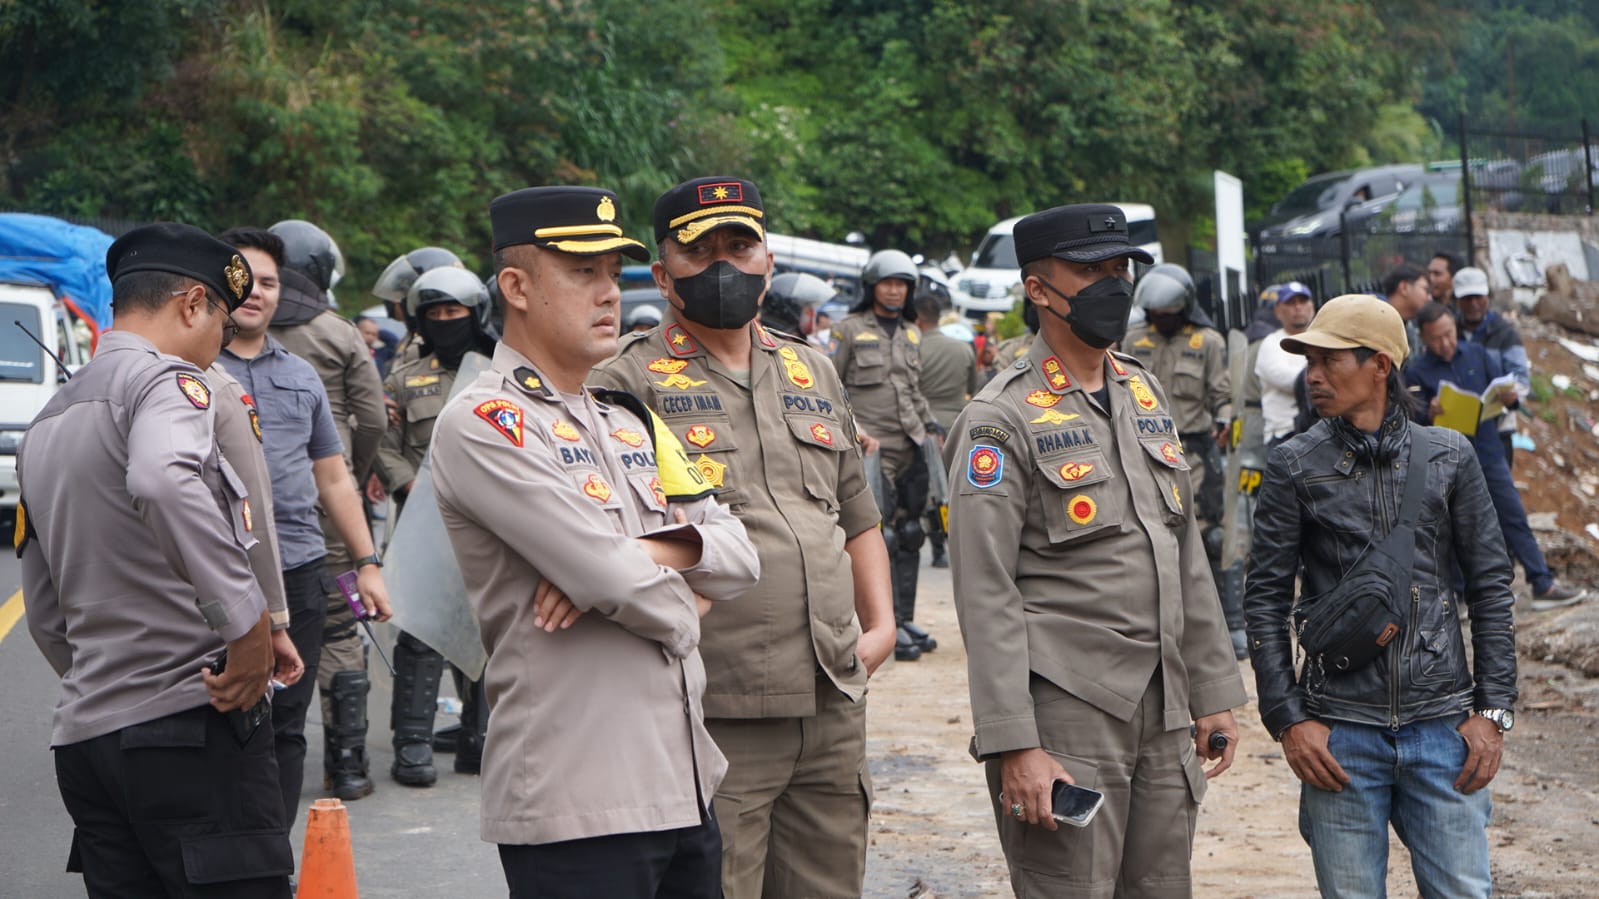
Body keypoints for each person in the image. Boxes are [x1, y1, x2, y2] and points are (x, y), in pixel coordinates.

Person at [431, 184, 760, 897]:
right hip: (578, 798)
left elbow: (738, 550)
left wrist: (644, 553)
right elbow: (615, 582)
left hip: (680, 783)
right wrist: (669, 592)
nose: (608, 291)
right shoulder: (486, 422)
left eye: (614, 272)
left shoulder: (626, 419)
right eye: (583, 272)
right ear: (515, 285)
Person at [592, 175, 895, 897]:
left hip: (832, 693)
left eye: (740, 244)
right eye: (699, 252)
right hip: (714, 705)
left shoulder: (810, 366)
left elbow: (856, 513)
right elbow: (610, 544)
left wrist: (880, 628)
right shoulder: (624, 381)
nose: (723, 265)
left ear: (766, 260)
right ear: (663, 275)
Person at [946, 204, 1246, 897]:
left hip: (1163, 704)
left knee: (1160, 886)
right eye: (1087, 270)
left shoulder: (1140, 390)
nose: (1110, 284)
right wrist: (1013, 741)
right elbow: (984, 590)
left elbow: (1182, 550)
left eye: (1119, 269)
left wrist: (1210, 689)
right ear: (1037, 287)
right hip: (1067, 707)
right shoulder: (1000, 417)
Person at [18, 222, 296, 896]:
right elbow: (163, 477)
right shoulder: (168, 384)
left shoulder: (49, 419)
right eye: (222, 329)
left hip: (88, 741)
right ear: (193, 304)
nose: (217, 350)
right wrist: (248, 628)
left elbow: (46, 614)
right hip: (189, 724)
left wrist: (108, 683)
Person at [1245, 294, 1518, 898]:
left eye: (1330, 360)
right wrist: (1288, 719)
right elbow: (1263, 598)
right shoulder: (1293, 465)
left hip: (1442, 728)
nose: (1313, 375)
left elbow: (1492, 585)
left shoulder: (1450, 456)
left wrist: (1494, 711)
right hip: (1338, 735)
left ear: (1381, 366)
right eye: (1308, 361)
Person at [216, 226, 394, 818]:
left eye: (268, 282)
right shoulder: (188, 374)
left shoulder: (300, 374)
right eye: (245, 278)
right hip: (216, 575)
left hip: (300, 567)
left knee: (287, 725)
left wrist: (367, 563)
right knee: (221, 718)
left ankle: (273, 856)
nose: (256, 292)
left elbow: (334, 476)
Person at [267, 218, 391, 800]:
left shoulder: (227, 326)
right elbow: (373, 418)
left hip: (241, 511)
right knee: (340, 625)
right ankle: (347, 764)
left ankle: (253, 751)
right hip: (326, 507)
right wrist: (350, 475)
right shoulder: (338, 334)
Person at [374, 265, 498, 785]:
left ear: (476, 315)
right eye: (435, 314)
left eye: (455, 312)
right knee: (422, 634)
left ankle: (479, 740)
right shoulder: (403, 380)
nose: (446, 321)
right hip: (424, 525)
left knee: (488, 631)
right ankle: (413, 745)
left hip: (490, 525)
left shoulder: (501, 374)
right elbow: (382, 446)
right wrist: (410, 487)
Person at [1409, 302, 1587, 611]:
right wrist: (1429, 410)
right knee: (1452, 526)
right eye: (1436, 338)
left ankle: (1542, 583)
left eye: (1449, 334)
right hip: (1445, 457)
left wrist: (1509, 397)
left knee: (1513, 517)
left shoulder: (1478, 355)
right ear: (1424, 338)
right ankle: (1459, 597)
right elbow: (1410, 417)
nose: (1445, 343)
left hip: (1488, 451)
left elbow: (1507, 398)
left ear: (1455, 327)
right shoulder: (1417, 370)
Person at [829, 248, 939, 661]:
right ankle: (883, 625)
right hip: (872, 449)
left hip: (912, 441)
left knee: (912, 533)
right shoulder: (848, 330)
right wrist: (854, 430)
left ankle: (905, 618)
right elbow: (829, 386)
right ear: (872, 286)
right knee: (882, 535)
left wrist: (932, 427)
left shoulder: (912, 333)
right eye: (887, 283)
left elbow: (912, 388)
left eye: (901, 285)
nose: (894, 291)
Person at [915, 293, 979, 569]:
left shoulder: (913, 349)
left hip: (926, 425)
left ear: (916, 318)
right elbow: (973, 388)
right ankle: (961, 543)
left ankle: (939, 547)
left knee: (933, 490)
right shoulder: (963, 349)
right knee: (956, 488)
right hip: (957, 423)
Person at [1453, 265, 1531, 467]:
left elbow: (1521, 379)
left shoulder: (1505, 333)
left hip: (1497, 431)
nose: (1474, 304)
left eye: (1478, 297)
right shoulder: (1449, 332)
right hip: (1456, 433)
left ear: (1488, 296)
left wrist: (1511, 396)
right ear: (1457, 300)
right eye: (1467, 298)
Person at [1255, 281, 1315, 446]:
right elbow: (1289, 380)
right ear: (1278, 311)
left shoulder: (1322, 340)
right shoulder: (1270, 343)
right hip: (1284, 434)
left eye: (1303, 301)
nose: (1298, 307)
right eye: (1291, 303)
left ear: (1312, 306)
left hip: (1319, 431)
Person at [1381, 263, 1431, 360]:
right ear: (1404, 287)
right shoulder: (1374, 321)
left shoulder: (1411, 327)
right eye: (1426, 290)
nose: (1429, 298)